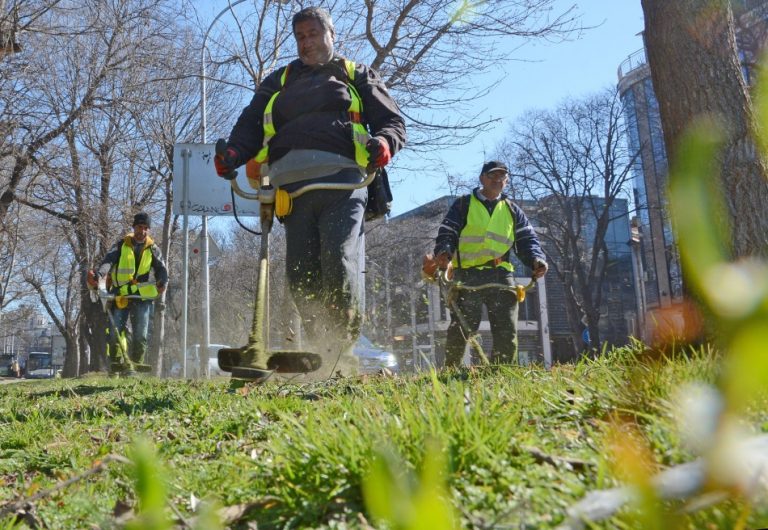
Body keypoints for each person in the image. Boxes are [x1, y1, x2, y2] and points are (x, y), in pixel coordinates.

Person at [214, 6, 406, 376]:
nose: (306, 42)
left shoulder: (355, 74)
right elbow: (250, 124)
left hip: (343, 181)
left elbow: (392, 121)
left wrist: (384, 142)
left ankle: (342, 350)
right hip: (292, 191)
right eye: (300, 36)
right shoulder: (280, 79)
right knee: (301, 274)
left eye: (313, 34)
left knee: (338, 259)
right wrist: (234, 155)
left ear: (331, 34)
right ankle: (322, 348)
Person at [423, 161, 548, 367]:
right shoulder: (463, 204)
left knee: (506, 329)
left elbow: (528, 241)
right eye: (492, 176)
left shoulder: (512, 210)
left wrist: (536, 259)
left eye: (502, 177)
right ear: (482, 178)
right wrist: (444, 251)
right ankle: (452, 370)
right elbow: (448, 232)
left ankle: (502, 372)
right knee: (462, 326)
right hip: (468, 275)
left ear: (506, 181)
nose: (497, 180)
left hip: (501, 274)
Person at [89, 212, 168, 374]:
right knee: (115, 330)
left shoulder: (153, 249)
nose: (143, 231)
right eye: (140, 227)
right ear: (134, 227)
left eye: (146, 228)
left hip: (142, 295)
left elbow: (162, 269)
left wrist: (163, 281)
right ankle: (115, 363)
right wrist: (99, 275)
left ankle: (136, 363)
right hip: (121, 295)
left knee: (141, 333)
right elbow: (107, 262)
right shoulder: (120, 245)